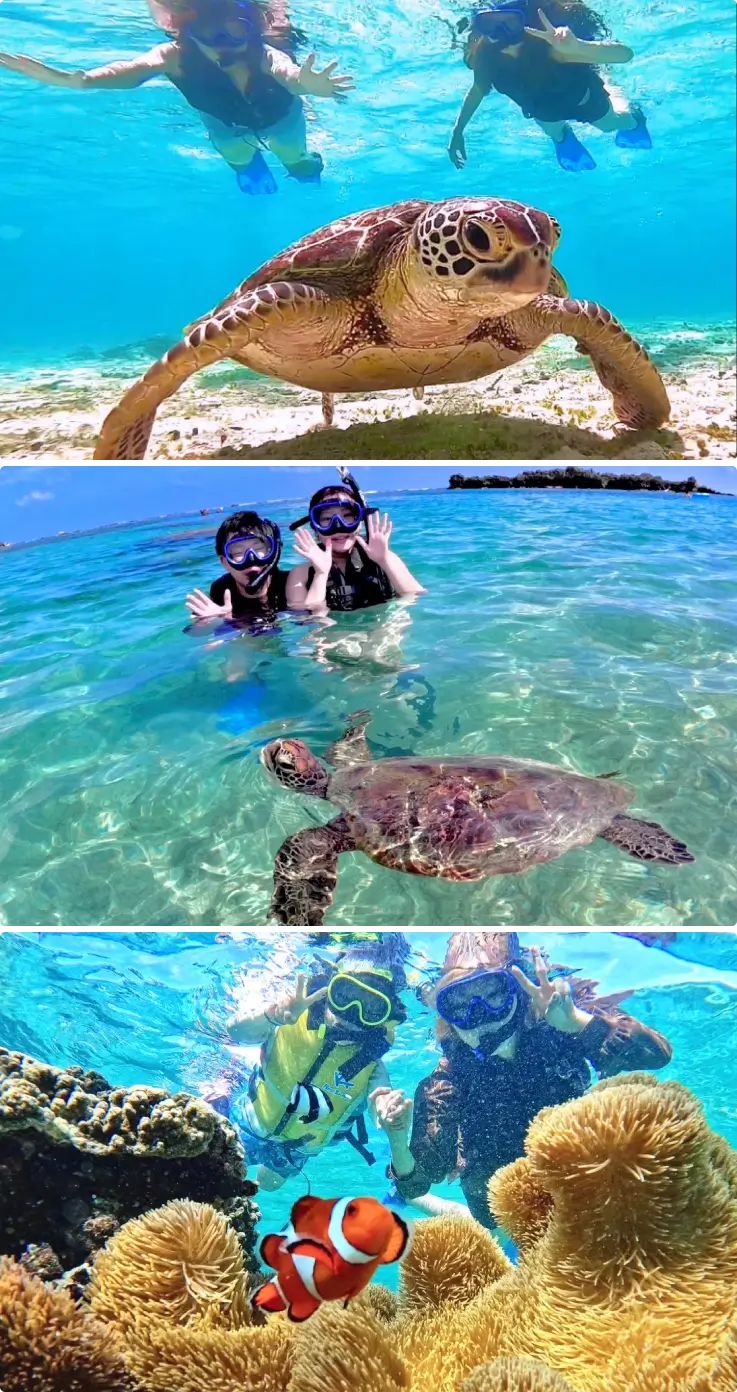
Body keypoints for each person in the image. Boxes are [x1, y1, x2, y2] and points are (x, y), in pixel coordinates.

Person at [372, 931, 672, 1229]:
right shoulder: (448, 1078)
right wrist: (397, 1141)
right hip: (499, 1209)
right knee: (476, 1224)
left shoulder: (558, 1015)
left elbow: (657, 1054)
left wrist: (578, 1023)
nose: (481, 1016)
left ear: (517, 990)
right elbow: (418, 1183)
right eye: (461, 1006)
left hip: (574, 1185)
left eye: (493, 994)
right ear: (447, 1017)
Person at [0, 0, 354, 195]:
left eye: (235, 31)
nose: (222, 42)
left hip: (282, 119)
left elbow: (288, 73)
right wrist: (76, 80)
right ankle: (250, 167)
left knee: (297, 161)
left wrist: (310, 86)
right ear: (187, 33)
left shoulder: (262, 54)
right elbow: (132, 70)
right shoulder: (173, 55)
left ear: (252, 30)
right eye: (207, 31)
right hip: (223, 126)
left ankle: (302, 169)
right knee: (235, 154)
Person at [211, 934, 410, 1190]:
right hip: (252, 1122)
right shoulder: (291, 1014)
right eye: (344, 994)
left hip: (297, 1147)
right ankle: (220, 1094)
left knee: (269, 1185)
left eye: (370, 1008)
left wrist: (386, 1110)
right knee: (216, 1164)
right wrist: (273, 1016)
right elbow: (235, 1034)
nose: (351, 1013)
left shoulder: (370, 1061)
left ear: (382, 1018)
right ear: (328, 989)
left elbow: (379, 1100)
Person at [449, 1, 651, 174]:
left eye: (510, 22)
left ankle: (636, 118)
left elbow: (625, 55)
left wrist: (578, 47)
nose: (500, 32)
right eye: (489, 24)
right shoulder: (486, 58)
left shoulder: (551, 48)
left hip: (584, 99)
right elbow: (477, 90)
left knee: (611, 124)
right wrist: (458, 131)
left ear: (523, 20)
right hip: (542, 110)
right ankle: (563, 139)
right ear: (479, 27)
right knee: (553, 131)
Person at [287, 470, 426, 613]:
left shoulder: (385, 557)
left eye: (347, 516)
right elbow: (308, 620)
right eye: (327, 519)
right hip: (334, 633)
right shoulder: (300, 575)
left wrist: (384, 561)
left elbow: (416, 597)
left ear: (360, 521)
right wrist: (320, 575)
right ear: (315, 527)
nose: (338, 526)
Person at [185, 509, 291, 623]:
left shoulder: (288, 583)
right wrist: (215, 619)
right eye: (238, 552)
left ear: (274, 552)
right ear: (225, 562)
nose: (251, 559)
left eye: (258, 549)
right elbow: (196, 634)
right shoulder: (222, 589)